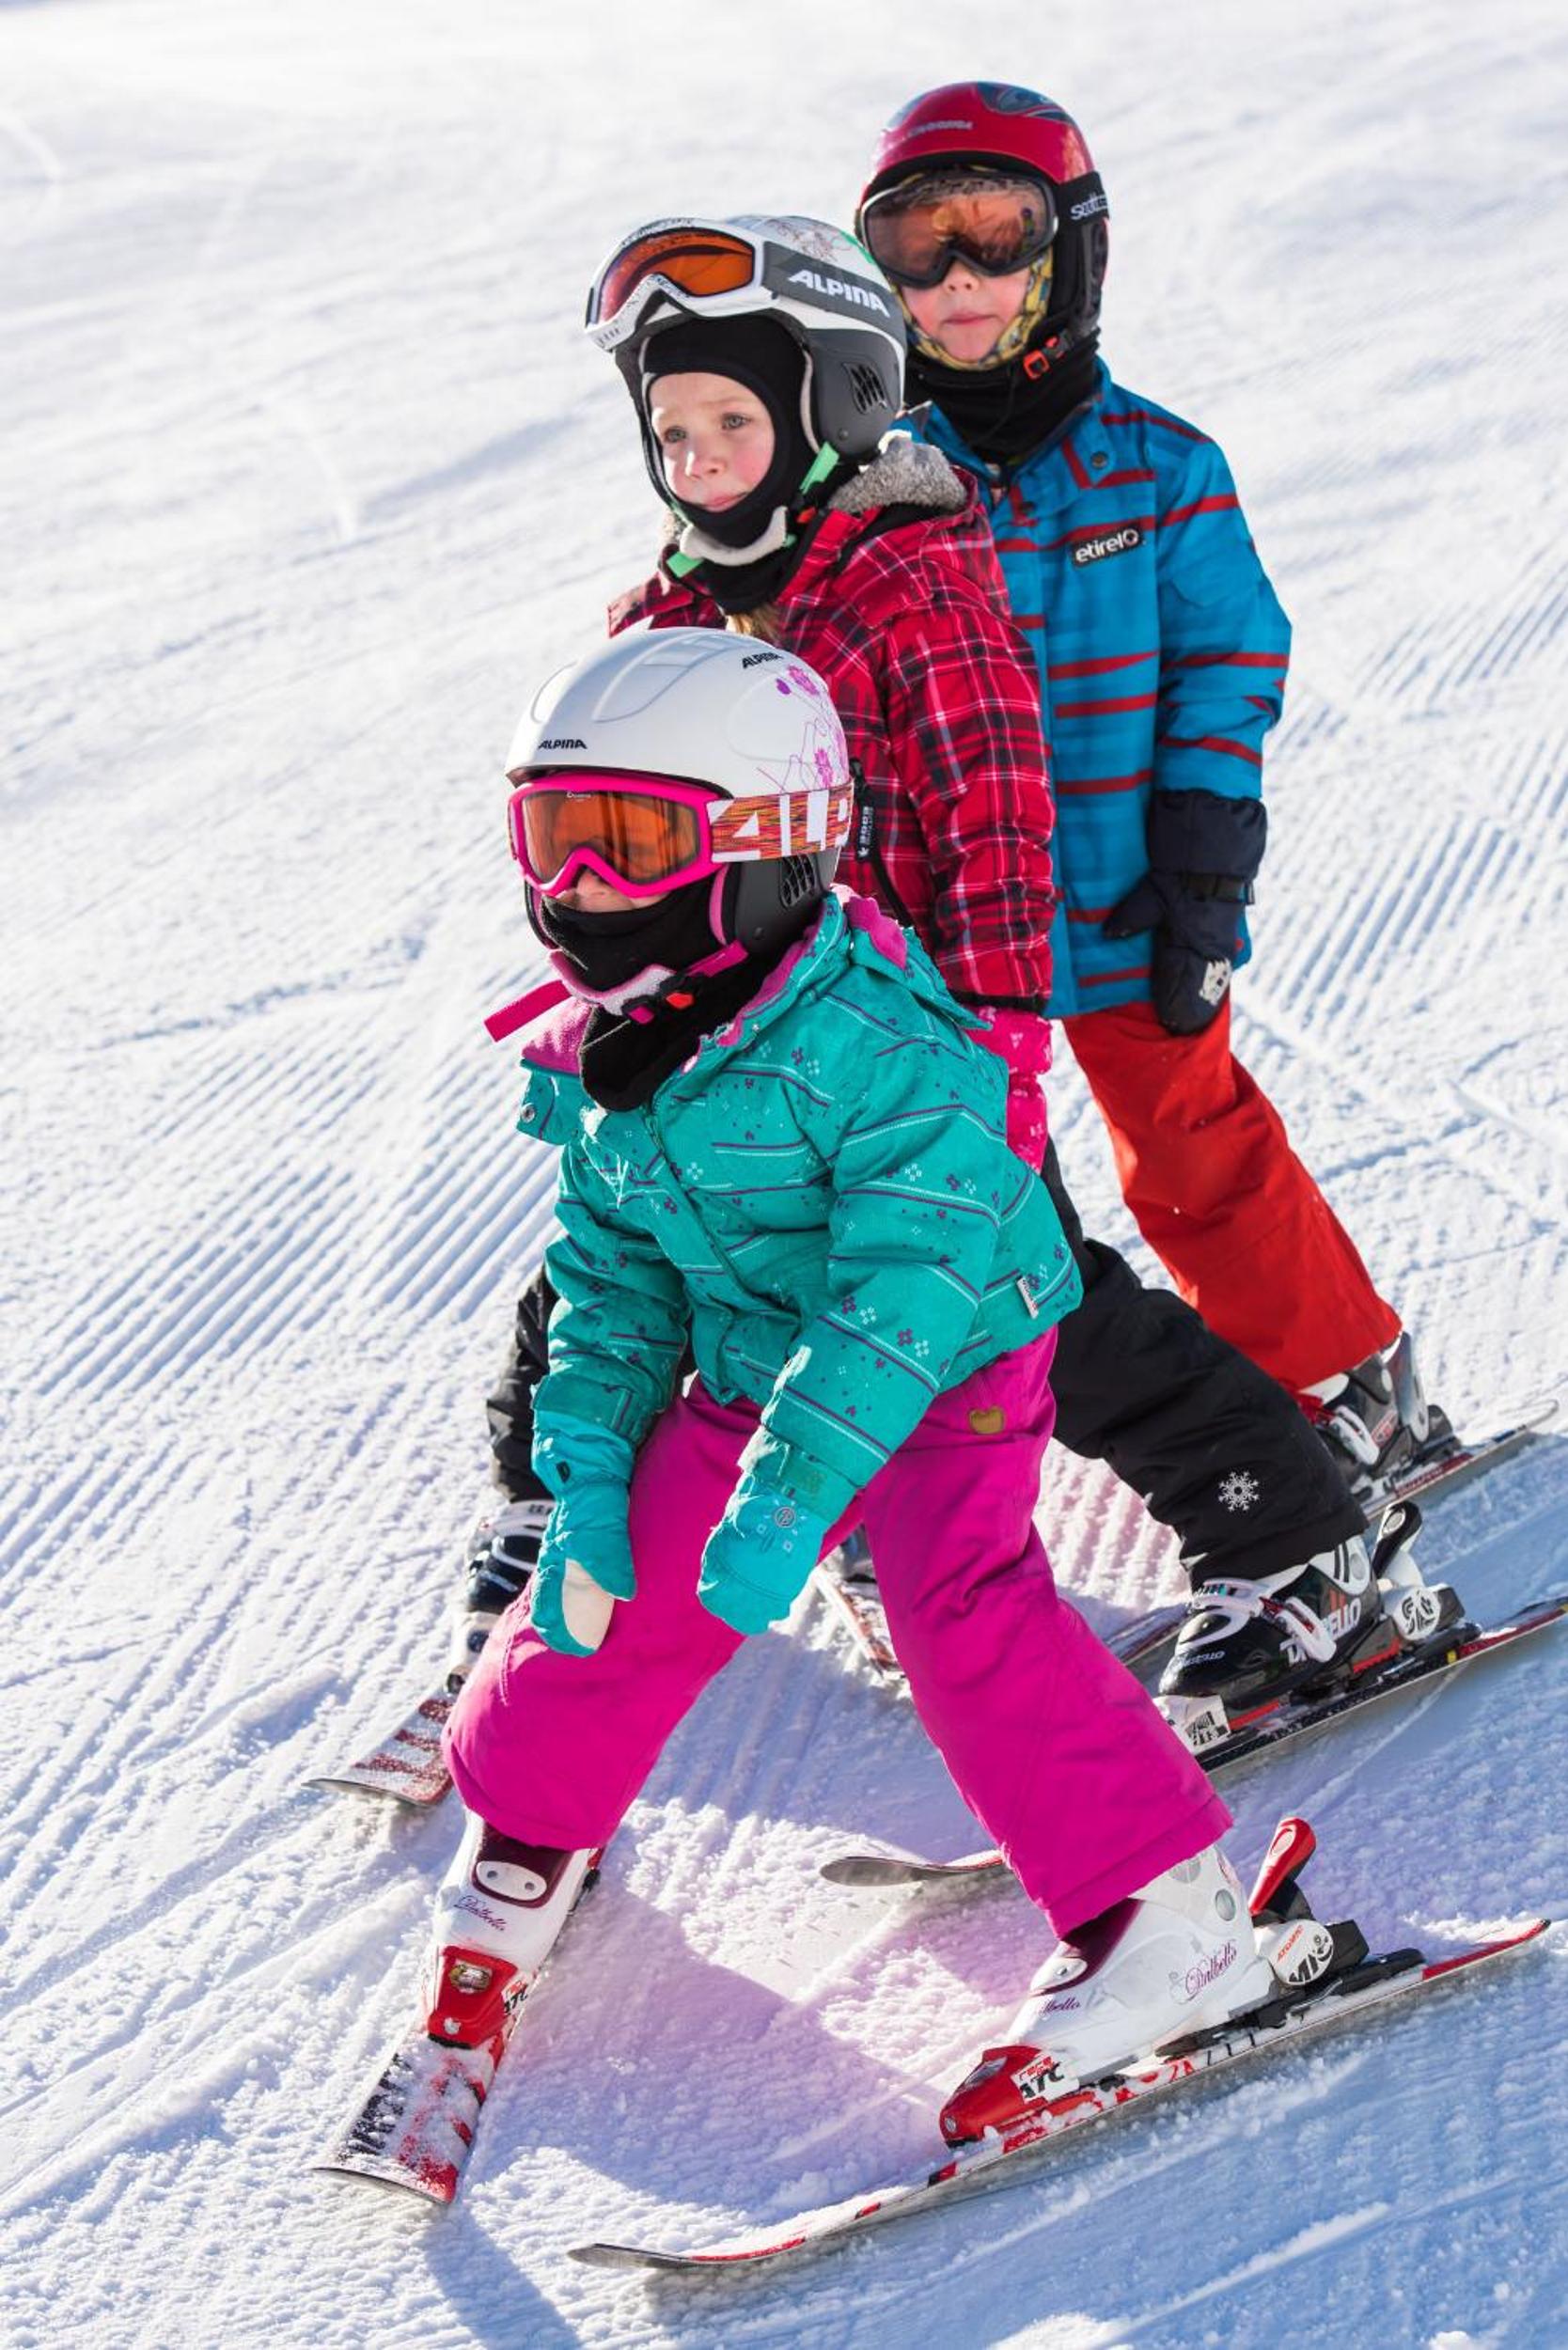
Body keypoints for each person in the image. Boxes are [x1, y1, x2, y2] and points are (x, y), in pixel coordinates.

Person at [463, 213, 1403, 1746]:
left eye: (731, 421)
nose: (697, 458)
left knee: (1026, 1304)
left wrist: (1005, 1041)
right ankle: (549, 1514)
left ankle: (1299, 1538)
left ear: (835, 406)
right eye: (672, 429)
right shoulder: (666, 615)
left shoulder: (907, 587)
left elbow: (995, 817)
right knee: (625, 1265)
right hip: (724, 1041)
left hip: (906, 1049)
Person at [432, 624, 1278, 2138]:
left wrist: (789, 1500)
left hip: (951, 1352)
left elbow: (902, 1297)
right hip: (759, 1353)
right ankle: (527, 1830)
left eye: (633, 843)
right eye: (553, 839)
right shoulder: (611, 1051)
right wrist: (588, 1478)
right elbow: (612, 1282)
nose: (580, 889)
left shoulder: (889, 1052)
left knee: (960, 1607)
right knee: (617, 1587)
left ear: (773, 843)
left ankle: (1175, 1922)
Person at [851, 84, 1451, 1535]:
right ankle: (932, 1469)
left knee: (1191, 1147)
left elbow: (1232, 662)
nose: (958, 280)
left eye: (996, 237)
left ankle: (1346, 1382)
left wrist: (1203, 868)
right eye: (919, 248)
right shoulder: (877, 488)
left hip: (1127, 893)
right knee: (972, 1196)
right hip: (954, 923)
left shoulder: (1161, 468)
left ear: (1073, 251)